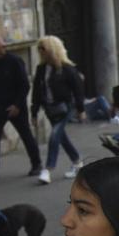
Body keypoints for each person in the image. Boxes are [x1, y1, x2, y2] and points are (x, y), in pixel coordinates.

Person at [0, 33, 42, 183]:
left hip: (15, 106)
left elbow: (24, 85)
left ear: (3, 48)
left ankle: (36, 163)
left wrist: (17, 105)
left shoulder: (14, 61)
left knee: (25, 134)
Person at [34, 35, 89, 179]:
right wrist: (34, 111)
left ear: (52, 49)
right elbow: (37, 91)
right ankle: (77, 161)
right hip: (50, 108)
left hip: (65, 107)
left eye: (43, 48)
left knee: (54, 136)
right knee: (61, 137)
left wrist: (81, 109)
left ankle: (48, 169)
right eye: (39, 49)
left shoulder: (67, 69)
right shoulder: (41, 69)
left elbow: (78, 89)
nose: (41, 52)